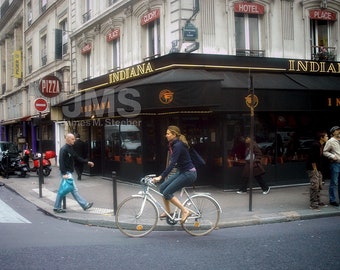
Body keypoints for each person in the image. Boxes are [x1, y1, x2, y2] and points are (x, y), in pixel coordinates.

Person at [152, 126, 197, 224]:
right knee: (162, 188)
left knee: (167, 192)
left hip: (189, 173)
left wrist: (161, 176)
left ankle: (185, 210)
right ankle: (168, 211)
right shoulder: (174, 144)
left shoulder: (178, 145)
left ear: (174, 134)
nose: (166, 135)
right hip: (182, 171)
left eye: (168, 133)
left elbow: (172, 164)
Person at [53, 133, 95, 213]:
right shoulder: (64, 149)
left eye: (74, 139)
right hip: (67, 173)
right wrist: (64, 173)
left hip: (68, 172)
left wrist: (87, 162)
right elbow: (61, 162)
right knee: (72, 190)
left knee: (63, 191)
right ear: (68, 139)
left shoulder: (70, 148)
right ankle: (85, 205)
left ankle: (56, 207)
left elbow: (77, 157)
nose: (74, 140)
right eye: (72, 139)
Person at [306, 131, 328, 210]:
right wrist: (315, 169)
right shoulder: (315, 145)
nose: (327, 138)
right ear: (321, 138)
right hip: (313, 168)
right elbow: (313, 158)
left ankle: (317, 201)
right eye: (326, 136)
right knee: (314, 185)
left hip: (319, 168)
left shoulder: (322, 145)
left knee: (319, 185)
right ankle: (313, 203)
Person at [323, 126, 340, 207]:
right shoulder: (330, 141)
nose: (339, 131)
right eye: (337, 130)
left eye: (339, 130)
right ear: (333, 132)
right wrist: (332, 156)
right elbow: (325, 152)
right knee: (334, 182)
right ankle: (332, 200)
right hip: (336, 164)